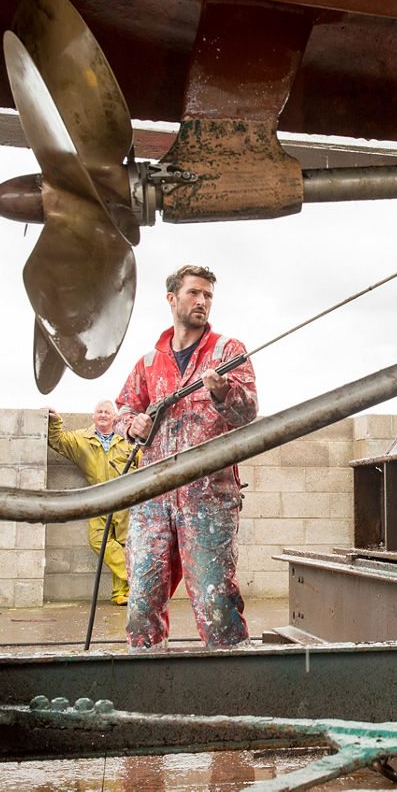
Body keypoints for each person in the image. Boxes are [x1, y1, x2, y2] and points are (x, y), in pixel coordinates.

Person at [114, 264, 258, 648]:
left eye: (208, 295)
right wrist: (133, 425)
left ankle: (233, 688)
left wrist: (223, 392)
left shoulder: (228, 351)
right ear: (172, 299)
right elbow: (123, 411)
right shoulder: (148, 362)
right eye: (194, 293)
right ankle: (146, 680)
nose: (202, 301)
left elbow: (248, 413)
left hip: (207, 499)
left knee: (216, 603)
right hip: (152, 499)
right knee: (142, 603)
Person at [46, 400, 137, 605]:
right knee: (98, 540)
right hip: (99, 498)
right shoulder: (81, 440)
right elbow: (57, 440)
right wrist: (55, 420)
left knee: (123, 542)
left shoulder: (127, 439)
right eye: (99, 412)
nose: (103, 414)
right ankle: (133, 575)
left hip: (126, 497)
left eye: (107, 412)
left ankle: (121, 594)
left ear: (115, 417)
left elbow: (144, 462)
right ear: (93, 416)